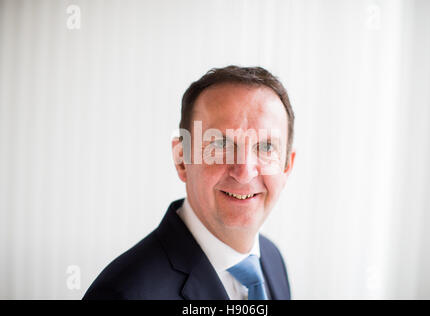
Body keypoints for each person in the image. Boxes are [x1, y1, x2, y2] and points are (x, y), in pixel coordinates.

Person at [83, 65, 296, 300]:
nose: (244, 172)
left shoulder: (271, 259)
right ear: (182, 159)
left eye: (266, 147)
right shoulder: (124, 294)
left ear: (287, 166)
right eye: (221, 144)